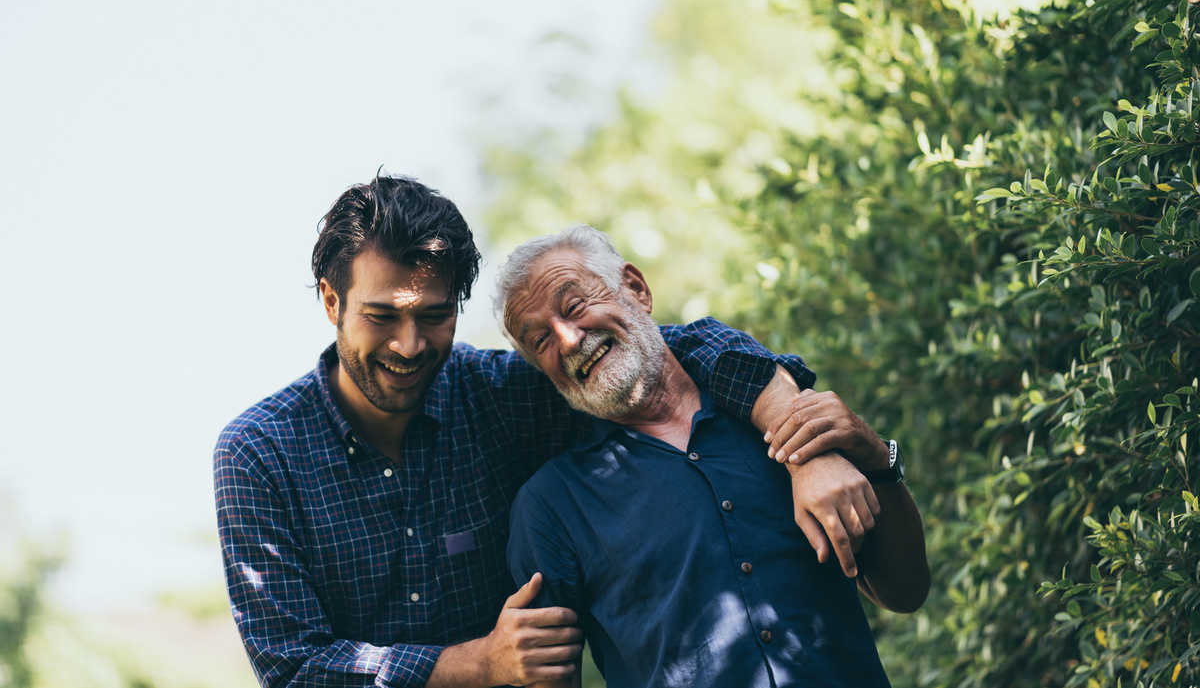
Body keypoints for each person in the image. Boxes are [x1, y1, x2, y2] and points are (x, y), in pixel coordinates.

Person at [214, 175, 880, 688]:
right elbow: (294, 667)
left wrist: (800, 439)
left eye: (436, 316)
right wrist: (478, 663)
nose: (411, 344)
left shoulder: (499, 396)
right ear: (332, 301)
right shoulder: (259, 454)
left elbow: (666, 352)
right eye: (382, 315)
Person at [498, 224, 931, 688]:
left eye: (575, 305)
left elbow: (905, 592)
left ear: (636, 289)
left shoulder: (780, 414)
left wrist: (874, 452)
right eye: (539, 340)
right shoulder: (550, 505)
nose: (566, 340)